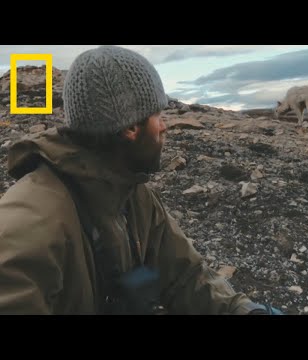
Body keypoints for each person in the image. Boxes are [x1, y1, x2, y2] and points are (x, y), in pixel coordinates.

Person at [0, 45, 282, 315]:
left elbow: (185, 276)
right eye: (157, 115)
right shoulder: (30, 224)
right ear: (131, 127)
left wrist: (245, 311)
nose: (164, 126)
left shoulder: (132, 193)